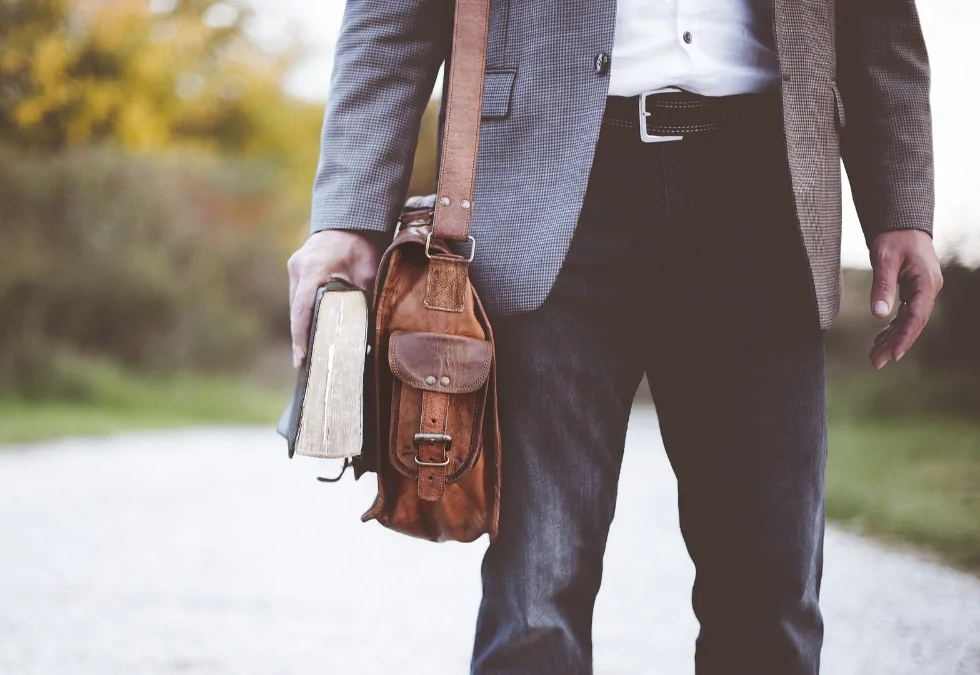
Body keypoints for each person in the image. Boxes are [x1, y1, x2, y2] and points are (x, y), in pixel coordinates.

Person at [286, 1, 942, 672]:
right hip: (549, 188)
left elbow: (879, 23)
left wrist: (901, 206)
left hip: (767, 191)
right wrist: (348, 216)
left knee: (769, 593)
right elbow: (392, 17)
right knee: (535, 596)